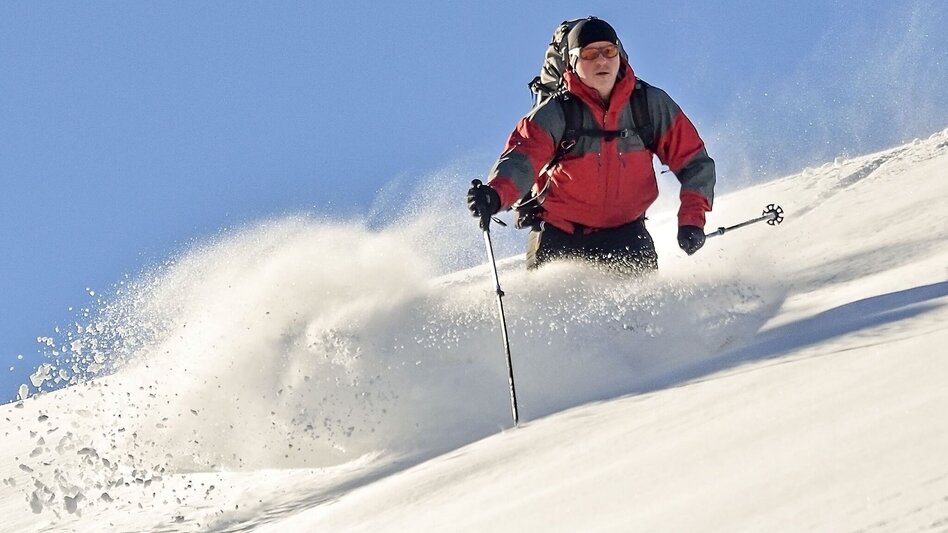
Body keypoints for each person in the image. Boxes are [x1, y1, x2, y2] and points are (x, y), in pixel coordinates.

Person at [467, 17, 715, 274]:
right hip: (560, 236)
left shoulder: (648, 106)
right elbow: (522, 158)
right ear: (573, 63)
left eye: (609, 51)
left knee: (645, 314)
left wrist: (692, 219)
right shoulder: (556, 113)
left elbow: (695, 162)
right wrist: (494, 195)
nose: (601, 61)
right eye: (589, 54)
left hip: (628, 237)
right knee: (551, 312)